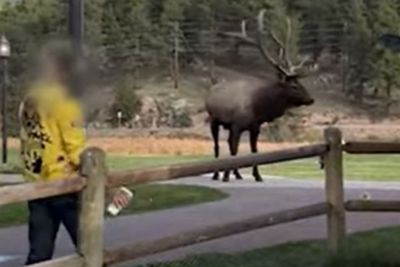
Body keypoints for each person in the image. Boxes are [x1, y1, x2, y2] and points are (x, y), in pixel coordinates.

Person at [19, 41, 129, 265]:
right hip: (65, 185)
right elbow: (77, 152)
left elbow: (27, 139)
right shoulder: (65, 103)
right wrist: (109, 186)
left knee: (39, 254)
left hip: (37, 187)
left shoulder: (29, 100)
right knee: (90, 248)